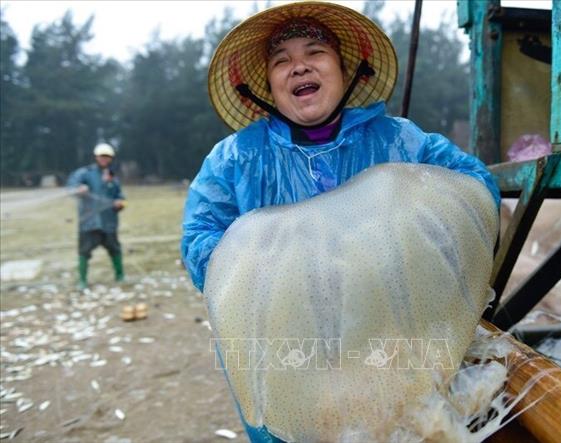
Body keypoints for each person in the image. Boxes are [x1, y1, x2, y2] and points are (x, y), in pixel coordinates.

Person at [181, 2, 500, 441]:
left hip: (392, 341)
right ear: (266, 87)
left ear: (347, 70)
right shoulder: (235, 159)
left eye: (315, 52)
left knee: (401, 425)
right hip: (290, 354)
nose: (299, 67)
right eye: (281, 61)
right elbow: (201, 239)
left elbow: (472, 189)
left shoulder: (401, 141)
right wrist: (266, 265)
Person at [67, 143, 126, 290]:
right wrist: (79, 189)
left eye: (107, 156)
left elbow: (120, 196)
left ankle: (120, 276)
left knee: (114, 249)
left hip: (109, 221)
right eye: (102, 156)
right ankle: (82, 281)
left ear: (111, 158)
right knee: (84, 251)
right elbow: (72, 186)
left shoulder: (113, 178)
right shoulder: (84, 173)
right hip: (89, 220)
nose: (104, 159)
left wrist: (120, 202)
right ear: (96, 157)